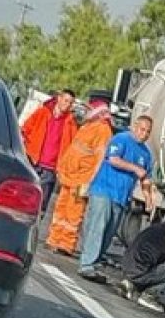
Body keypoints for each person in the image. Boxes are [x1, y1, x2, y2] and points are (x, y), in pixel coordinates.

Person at [77, 115, 155, 282]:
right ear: (135, 127)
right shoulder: (121, 139)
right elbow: (113, 160)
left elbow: (145, 178)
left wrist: (148, 198)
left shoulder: (146, 154)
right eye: (142, 129)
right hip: (104, 189)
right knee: (98, 226)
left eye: (148, 132)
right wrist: (134, 168)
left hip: (121, 196)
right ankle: (87, 264)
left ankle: (95, 262)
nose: (144, 134)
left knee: (109, 231)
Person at [44, 96, 114, 255]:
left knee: (73, 212)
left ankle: (66, 244)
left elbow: (100, 158)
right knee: (61, 208)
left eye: (90, 108)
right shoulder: (88, 126)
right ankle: (54, 239)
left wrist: (90, 180)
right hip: (70, 175)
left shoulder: (103, 130)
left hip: (82, 178)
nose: (87, 111)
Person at [116, 210, 165, 312]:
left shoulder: (157, 227)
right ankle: (150, 295)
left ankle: (129, 283)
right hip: (140, 272)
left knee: (151, 262)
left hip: (127, 266)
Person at [20, 88, 76, 214]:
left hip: (50, 168)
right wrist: (27, 148)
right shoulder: (42, 112)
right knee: (24, 196)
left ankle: (35, 227)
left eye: (70, 103)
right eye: (66, 101)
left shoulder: (70, 122)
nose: (67, 105)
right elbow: (25, 129)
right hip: (33, 161)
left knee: (41, 205)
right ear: (59, 99)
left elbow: (72, 147)